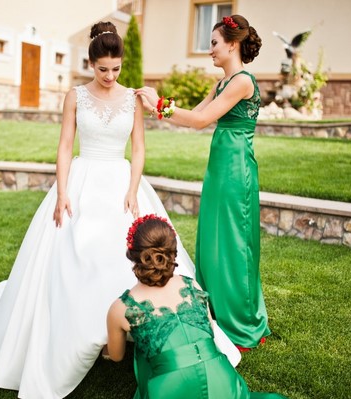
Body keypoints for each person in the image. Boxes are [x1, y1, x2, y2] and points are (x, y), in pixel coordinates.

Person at [0, 21, 238, 399]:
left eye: (116, 69)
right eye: (103, 69)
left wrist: (132, 188)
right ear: (90, 63)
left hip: (120, 182)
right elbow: (66, 145)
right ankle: (83, 335)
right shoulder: (74, 96)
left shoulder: (131, 97)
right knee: (73, 256)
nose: (110, 76)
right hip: (80, 182)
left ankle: (122, 333)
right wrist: (63, 191)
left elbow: (139, 148)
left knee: (120, 253)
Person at [136, 15, 269, 350]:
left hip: (237, 168)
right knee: (213, 239)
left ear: (232, 44)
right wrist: (156, 108)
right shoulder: (221, 83)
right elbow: (192, 120)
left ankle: (242, 322)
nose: (209, 50)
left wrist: (161, 105)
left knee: (235, 242)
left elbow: (200, 119)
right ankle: (217, 314)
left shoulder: (242, 81)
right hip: (219, 165)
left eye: (213, 43)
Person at [107, 215, 287, 399]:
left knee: (144, 346)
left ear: (133, 255)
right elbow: (209, 329)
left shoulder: (120, 308)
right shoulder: (191, 286)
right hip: (221, 379)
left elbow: (116, 355)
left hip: (170, 389)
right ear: (172, 252)